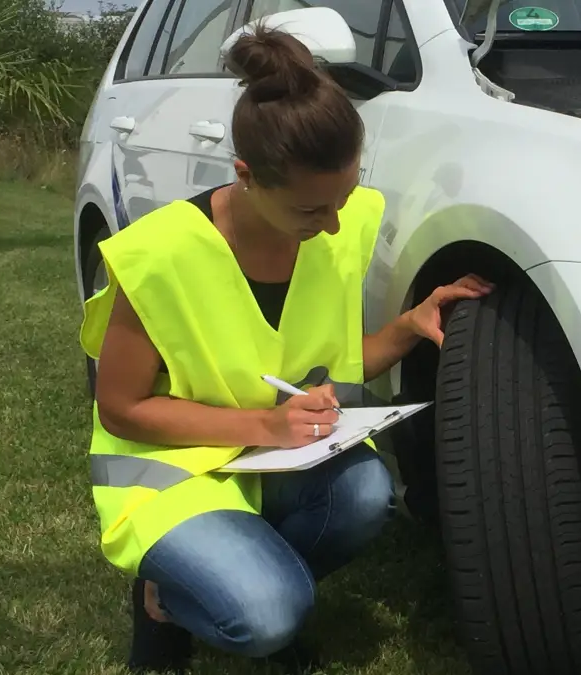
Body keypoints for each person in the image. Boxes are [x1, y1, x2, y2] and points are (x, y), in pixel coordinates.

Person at [77, 23, 494, 675]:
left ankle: (242, 578)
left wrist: (409, 325)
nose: (331, 223)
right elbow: (121, 409)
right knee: (269, 615)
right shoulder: (158, 256)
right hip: (170, 475)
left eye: (344, 198)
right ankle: (166, 595)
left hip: (263, 460)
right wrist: (263, 424)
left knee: (365, 492)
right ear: (245, 175)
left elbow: (324, 353)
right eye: (311, 210)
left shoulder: (333, 226)